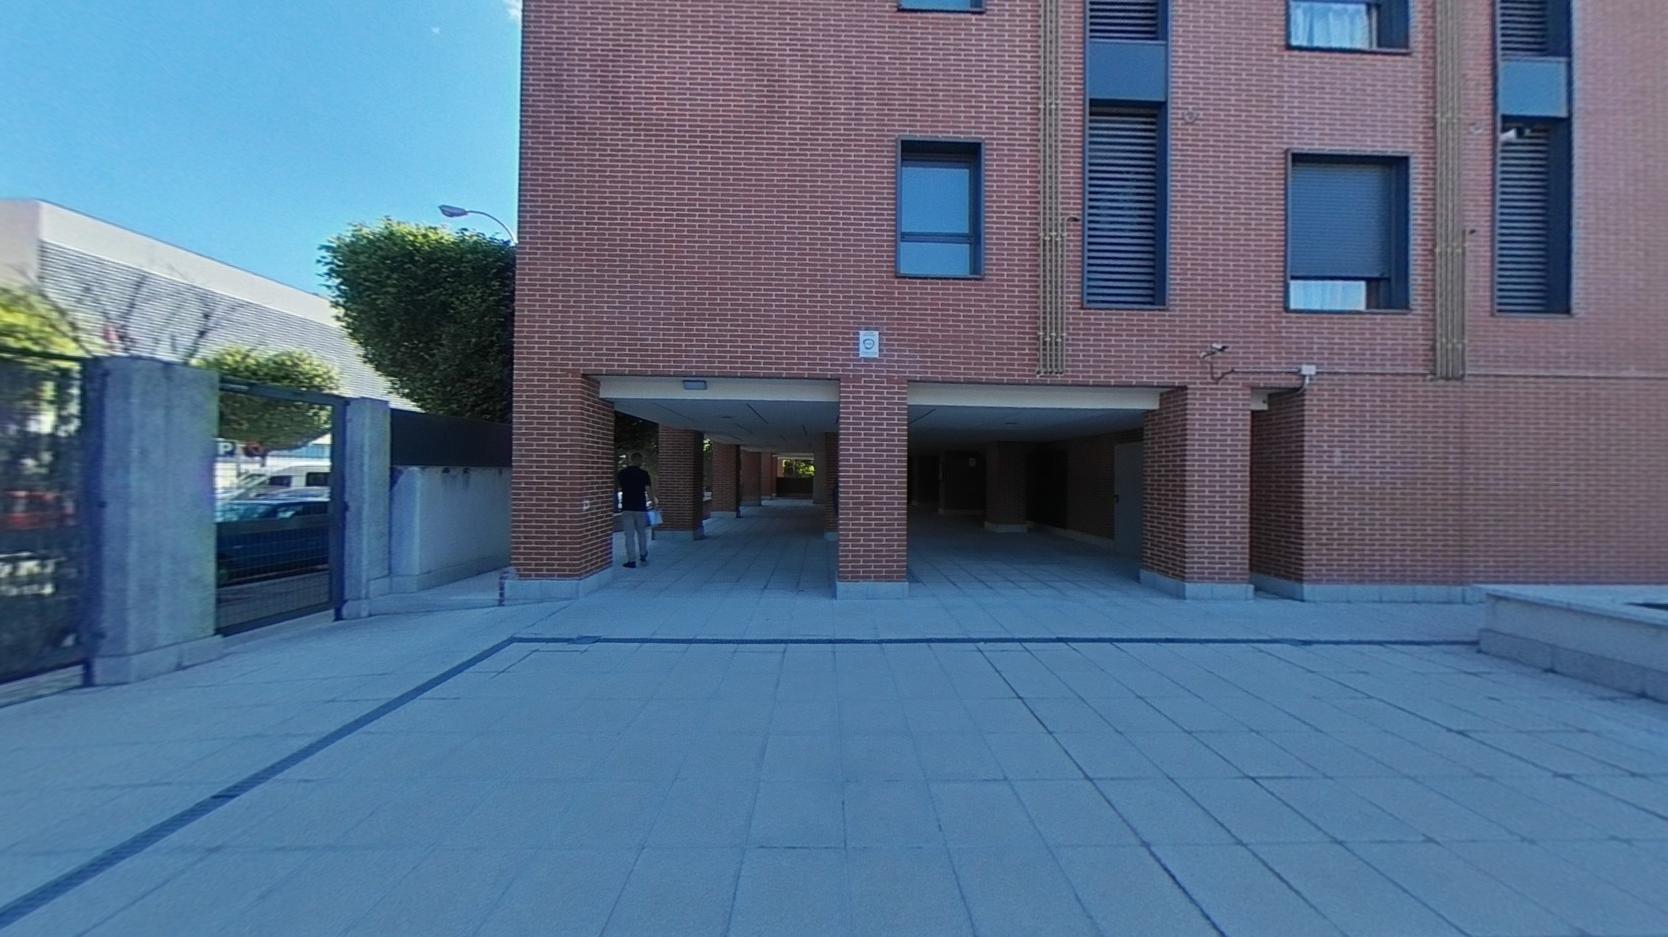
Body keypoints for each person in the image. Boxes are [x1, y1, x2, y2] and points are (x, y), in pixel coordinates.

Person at [617, 452, 653, 568]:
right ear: (639, 460)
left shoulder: (622, 473)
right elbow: (648, 489)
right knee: (642, 533)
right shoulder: (644, 474)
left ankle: (631, 560)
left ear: (631, 460)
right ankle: (643, 555)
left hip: (627, 507)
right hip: (640, 507)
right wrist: (653, 501)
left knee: (629, 535)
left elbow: (619, 487)